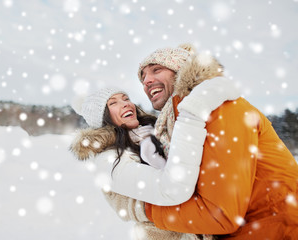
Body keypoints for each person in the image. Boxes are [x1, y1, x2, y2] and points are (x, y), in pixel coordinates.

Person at [135, 43, 298, 239]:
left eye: (156, 69)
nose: (147, 81)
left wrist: (145, 210)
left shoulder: (220, 107)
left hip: (278, 230)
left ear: (179, 70)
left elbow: (221, 215)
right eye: (142, 77)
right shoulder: (182, 122)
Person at [70, 83, 240, 239]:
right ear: (103, 119)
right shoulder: (108, 160)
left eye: (126, 98)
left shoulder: (156, 132)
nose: (126, 104)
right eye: (113, 103)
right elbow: (171, 188)